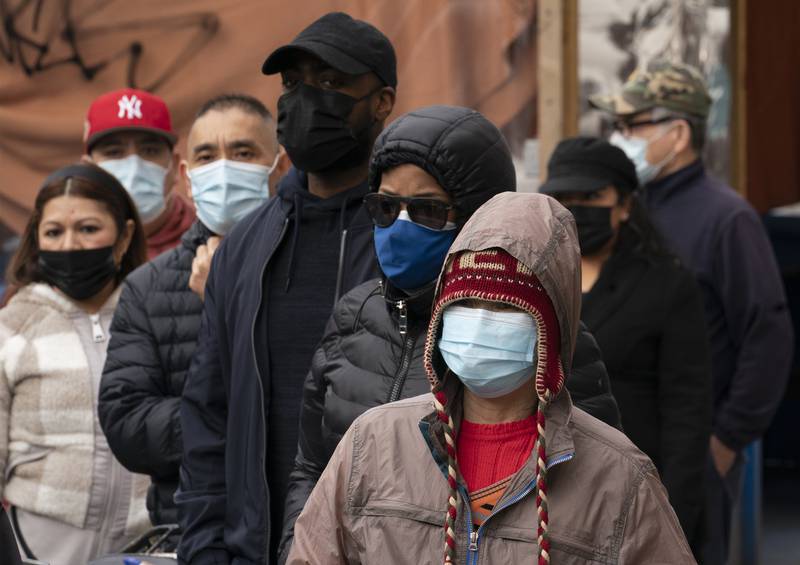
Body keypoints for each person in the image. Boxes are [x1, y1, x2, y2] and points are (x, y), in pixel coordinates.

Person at [278, 107, 622, 560]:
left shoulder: (542, 338)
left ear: (480, 216)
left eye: (426, 210)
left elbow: (594, 492)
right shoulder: (355, 314)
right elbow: (312, 465)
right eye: (385, 207)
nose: (401, 225)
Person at [287, 192, 695, 564]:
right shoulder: (373, 443)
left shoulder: (618, 477)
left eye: (504, 307)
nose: (480, 320)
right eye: (464, 303)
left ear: (550, 327)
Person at [177, 12, 397, 564]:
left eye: (329, 83)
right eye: (293, 84)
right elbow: (209, 415)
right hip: (256, 546)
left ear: (382, 101)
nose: (304, 101)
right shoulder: (248, 245)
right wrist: (206, 551)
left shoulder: (406, 236)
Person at [591, 60, 794, 564]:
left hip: (693, 456)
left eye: (631, 126)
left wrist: (725, 441)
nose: (621, 138)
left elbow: (768, 336)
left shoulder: (727, 219)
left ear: (677, 132)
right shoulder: (629, 209)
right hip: (619, 448)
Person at [97, 94, 284, 531]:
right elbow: (128, 426)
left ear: (281, 165)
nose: (223, 168)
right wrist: (240, 420)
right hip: (191, 526)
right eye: (206, 155)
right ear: (186, 175)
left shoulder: (312, 268)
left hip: (291, 526)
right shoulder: (149, 287)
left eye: (242, 153)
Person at [539, 135, 712, 555]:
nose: (576, 207)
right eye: (564, 195)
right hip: (546, 492)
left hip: (634, 492)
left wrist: (674, 516)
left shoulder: (668, 286)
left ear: (625, 205)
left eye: (592, 195)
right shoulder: (533, 278)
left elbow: (686, 411)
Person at [0, 163, 150, 564]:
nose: (69, 245)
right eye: (54, 232)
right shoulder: (12, 326)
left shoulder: (154, 319)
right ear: (36, 240)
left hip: (151, 548)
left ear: (124, 236)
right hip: (34, 550)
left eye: (88, 229)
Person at [84, 88, 196, 259]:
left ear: (173, 166)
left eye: (150, 151)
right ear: (88, 170)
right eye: (114, 152)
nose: (134, 168)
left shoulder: (210, 242)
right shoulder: (69, 245)